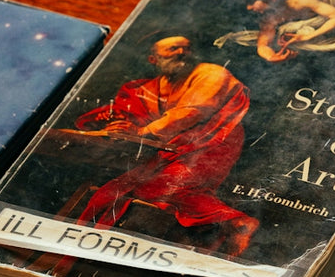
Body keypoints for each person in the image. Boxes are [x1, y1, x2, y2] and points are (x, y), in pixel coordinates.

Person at [67, 34, 259, 258]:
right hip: (174, 147)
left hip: (213, 142)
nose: (181, 53)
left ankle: (238, 222)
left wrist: (140, 131)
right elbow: (132, 116)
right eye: (173, 49)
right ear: (153, 59)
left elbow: (190, 113)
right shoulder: (148, 88)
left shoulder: (211, 73)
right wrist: (124, 125)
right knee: (120, 189)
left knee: (162, 186)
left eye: (186, 48)